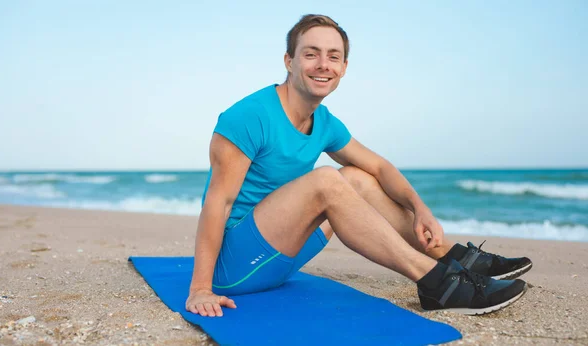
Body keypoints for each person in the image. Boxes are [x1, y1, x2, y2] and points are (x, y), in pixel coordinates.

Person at [186, 14, 532, 318]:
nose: (324, 64)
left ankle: (450, 256)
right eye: (311, 54)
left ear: (343, 68)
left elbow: (380, 168)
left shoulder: (323, 122)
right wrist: (201, 287)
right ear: (289, 61)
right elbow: (218, 203)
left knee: (356, 178)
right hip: (234, 267)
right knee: (325, 181)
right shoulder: (248, 116)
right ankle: (436, 283)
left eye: (333, 57)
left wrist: (419, 207)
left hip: (283, 256)